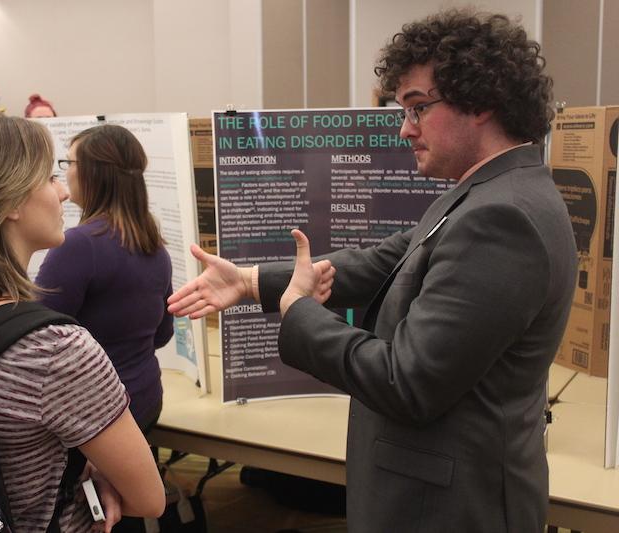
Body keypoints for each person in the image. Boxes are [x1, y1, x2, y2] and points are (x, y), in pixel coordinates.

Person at [168, 9, 577, 532]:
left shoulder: (503, 216)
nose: (405, 128)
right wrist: (249, 282)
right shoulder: (486, 192)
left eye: (417, 108)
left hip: (448, 510)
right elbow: (384, 264)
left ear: (482, 102)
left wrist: (298, 314)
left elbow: (406, 382)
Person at [0, 112, 164, 532]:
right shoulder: (55, 350)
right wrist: (92, 474)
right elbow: (149, 499)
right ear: (8, 201)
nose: (62, 191)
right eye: (48, 177)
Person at [37, 124, 173, 434]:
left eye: (69, 163)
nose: (65, 173)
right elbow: (162, 335)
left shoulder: (78, 245)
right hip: (145, 399)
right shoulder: (154, 245)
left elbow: (36, 339)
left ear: (93, 173)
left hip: (98, 413)